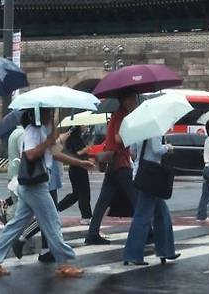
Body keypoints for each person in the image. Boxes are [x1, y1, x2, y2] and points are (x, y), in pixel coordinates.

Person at [0, 108, 92, 277]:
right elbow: (31, 154)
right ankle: (64, 262)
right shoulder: (32, 131)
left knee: (17, 224)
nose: (51, 115)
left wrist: (78, 163)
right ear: (38, 114)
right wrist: (47, 142)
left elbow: (55, 153)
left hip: (32, 185)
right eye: (49, 112)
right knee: (53, 221)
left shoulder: (41, 131)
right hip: (35, 185)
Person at [85, 91, 139, 245]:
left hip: (113, 164)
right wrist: (133, 132)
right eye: (133, 98)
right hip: (121, 163)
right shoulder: (122, 115)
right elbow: (118, 138)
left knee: (103, 202)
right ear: (126, 100)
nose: (135, 101)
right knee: (137, 200)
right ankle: (146, 231)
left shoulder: (118, 114)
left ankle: (92, 233)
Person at [122, 136, 180, 265]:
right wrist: (168, 147)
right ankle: (133, 255)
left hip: (141, 174)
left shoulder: (139, 131)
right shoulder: (155, 131)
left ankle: (166, 251)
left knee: (162, 214)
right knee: (143, 217)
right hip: (152, 177)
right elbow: (156, 149)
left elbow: (133, 152)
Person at [57, 126, 93, 224]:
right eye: (84, 125)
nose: (85, 126)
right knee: (83, 193)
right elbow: (78, 152)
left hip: (77, 168)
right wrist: (87, 148)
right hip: (78, 169)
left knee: (76, 194)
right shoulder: (74, 138)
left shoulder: (75, 137)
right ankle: (86, 216)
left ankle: (57, 208)